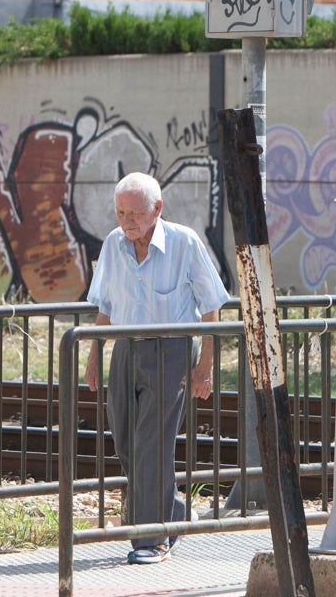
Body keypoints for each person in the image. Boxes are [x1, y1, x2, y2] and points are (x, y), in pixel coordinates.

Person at [84, 172, 229, 565]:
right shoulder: (114, 245)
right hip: (127, 350)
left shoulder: (184, 242)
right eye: (120, 212)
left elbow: (213, 304)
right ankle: (174, 511)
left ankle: (151, 539)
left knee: (152, 443)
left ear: (157, 209)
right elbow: (104, 307)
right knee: (127, 440)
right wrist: (94, 358)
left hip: (172, 351)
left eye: (134, 212)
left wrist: (205, 366)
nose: (126, 220)